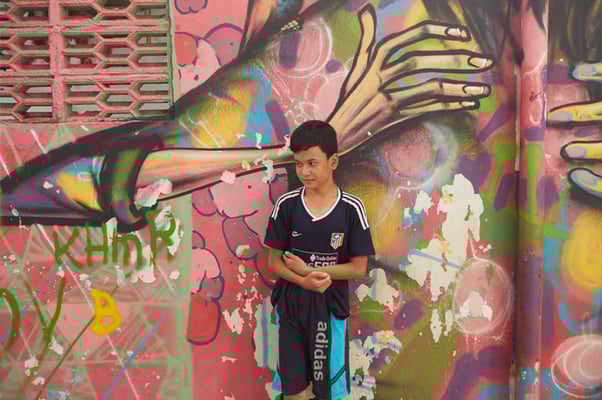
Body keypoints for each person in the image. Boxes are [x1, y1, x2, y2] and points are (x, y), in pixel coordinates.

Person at [264, 120, 375, 400]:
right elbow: (274, 263)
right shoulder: (287, 205)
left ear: (333, 161)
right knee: (294, 392)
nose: (304, 171)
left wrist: (310, 270)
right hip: (291, 306)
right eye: (299, 164)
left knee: (327, 392)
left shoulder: (351, 208)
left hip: (329, 308)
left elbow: (359, 268)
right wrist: (303, 281)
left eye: (312, 163)